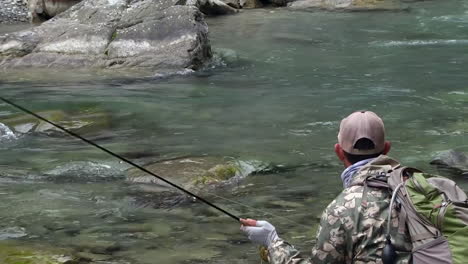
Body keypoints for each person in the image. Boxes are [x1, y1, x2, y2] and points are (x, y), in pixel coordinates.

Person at [240, 110, 413, 264]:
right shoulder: (424, 188)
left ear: (338, 151)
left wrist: (272, 241)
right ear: (387, 149)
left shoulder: (342, 208)